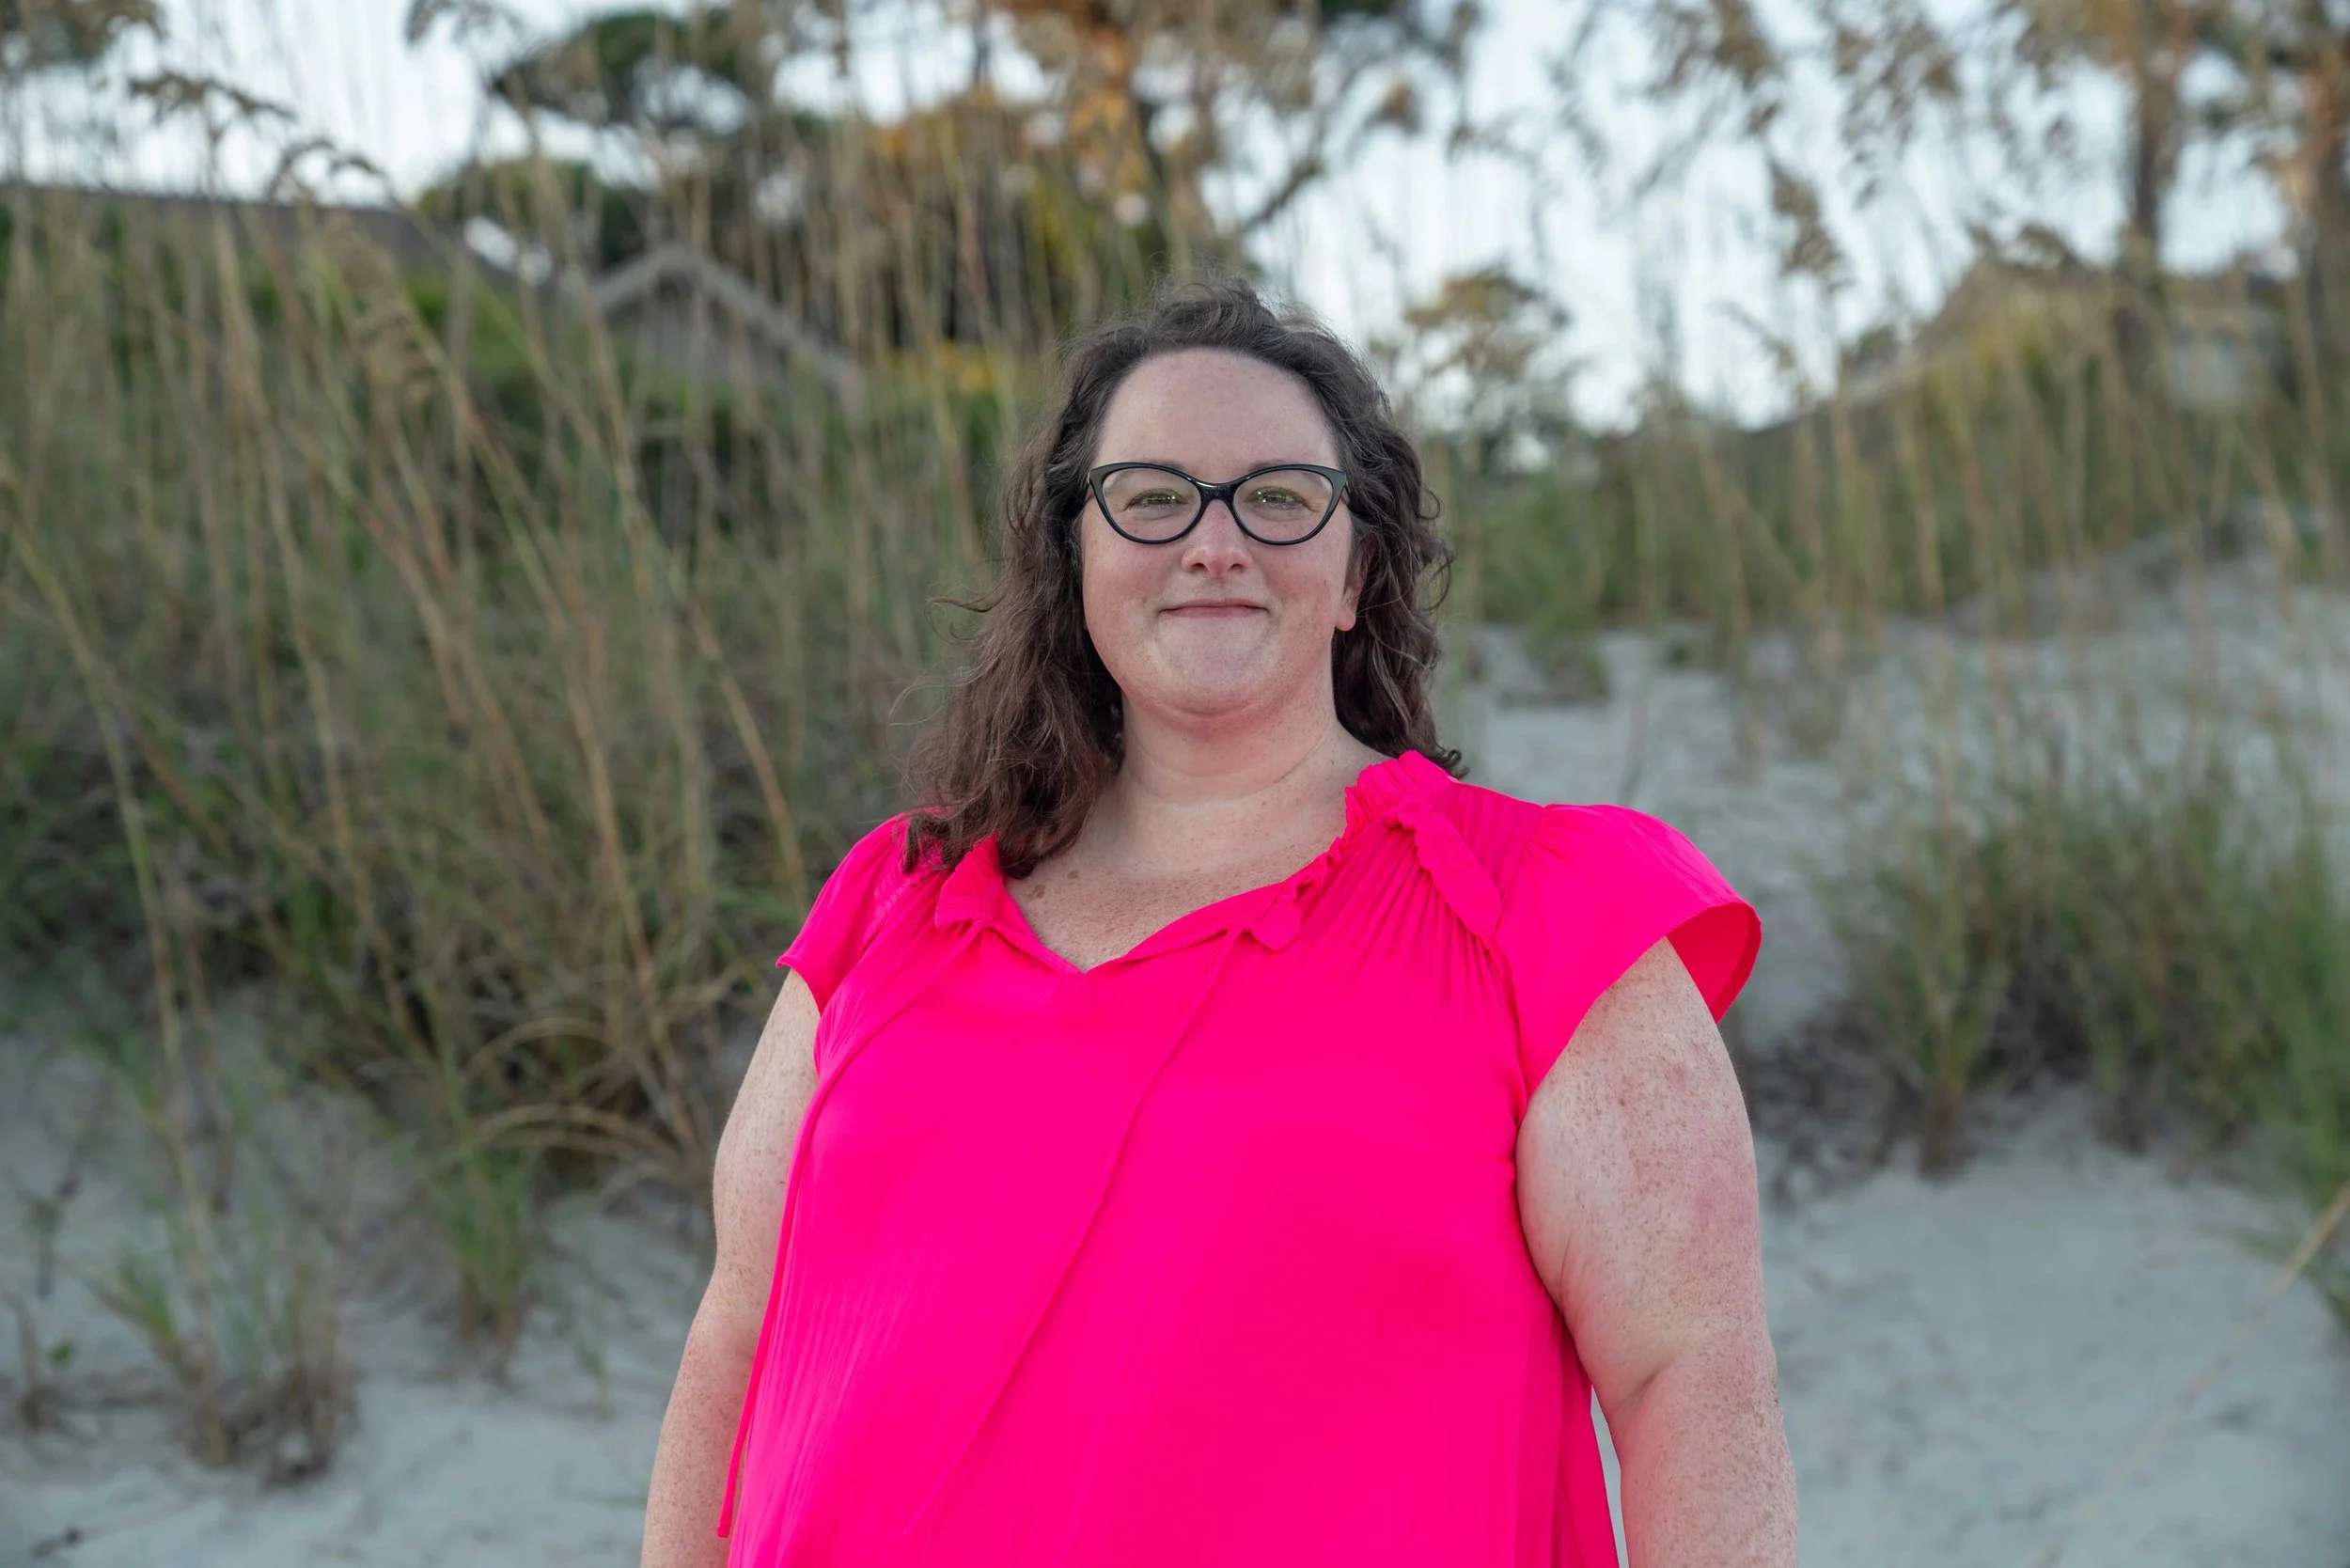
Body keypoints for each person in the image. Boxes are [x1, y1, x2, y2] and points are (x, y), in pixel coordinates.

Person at [639, 275, 1796, 1567]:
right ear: (1074, 556)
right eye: (1152, 496)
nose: (1215, 542)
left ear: (1359, 569)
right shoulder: (889, 907)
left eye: (1280, 498)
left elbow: (1687, 1380)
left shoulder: (1546, 916)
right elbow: (738, 1339)